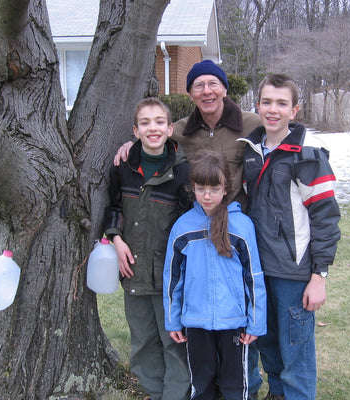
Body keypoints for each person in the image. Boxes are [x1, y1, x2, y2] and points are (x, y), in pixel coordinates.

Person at [114, 59, 264, 398]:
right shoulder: (181, 128)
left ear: (225, 88)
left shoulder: (251, 124)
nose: (207, 90)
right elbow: (154, 136)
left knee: (238, 311)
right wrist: (129, 145)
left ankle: (245, 387)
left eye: (213, 83)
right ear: (191, 92)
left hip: (235, 228)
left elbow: (282, 137)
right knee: (199, 310)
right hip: (196, 228)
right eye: (199, 85)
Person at [238, 74, 341, 400]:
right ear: (257, 106)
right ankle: (278, 393)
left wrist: (318, 276)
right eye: (267, 102)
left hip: (294, 274)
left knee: (296, 349)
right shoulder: (251, 153)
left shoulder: (307, 158)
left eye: (281, 103)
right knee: (266, 343)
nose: (273, 109)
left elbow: (326, 220)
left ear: (294, 110)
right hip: (258, 271)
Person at [104, 97, 192, 400]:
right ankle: (155, 393)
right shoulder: (123, 168)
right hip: (133, 271)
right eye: (145, 122)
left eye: (158, 122)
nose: (152, 128)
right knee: (142, 342)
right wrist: (116, 238)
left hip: (168, 277)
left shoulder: (182, 172)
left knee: (174, 342)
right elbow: (113, 207)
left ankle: (176, 395)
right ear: (135, 130)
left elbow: (188, 226)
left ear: (169, 129)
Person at [163, 150, 267, 400]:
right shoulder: (183, 226)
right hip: (196, 322)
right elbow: (173, 278)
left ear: (225, 188)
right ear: (193, 188)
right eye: (200, 189)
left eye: (214, 189)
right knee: (202, 382)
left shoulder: (241, 226)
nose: (207, 196)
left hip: (234, 321)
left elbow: (254, 277)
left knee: (234, 384)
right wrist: (173, 320)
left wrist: (255, 322)